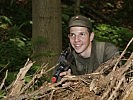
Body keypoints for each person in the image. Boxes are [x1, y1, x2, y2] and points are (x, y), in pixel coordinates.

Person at [53, 15, 119, 81]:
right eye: (72, 35)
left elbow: (113, 80)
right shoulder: (67, 56)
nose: (76, 40)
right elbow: (55, 82)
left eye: (82, 34)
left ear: (91, 36)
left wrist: (74, 81)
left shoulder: (106, 51)